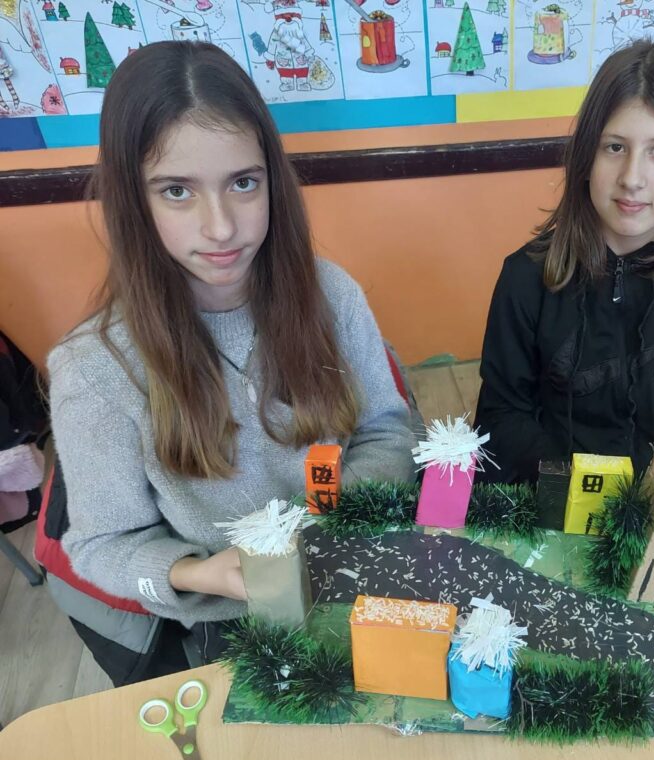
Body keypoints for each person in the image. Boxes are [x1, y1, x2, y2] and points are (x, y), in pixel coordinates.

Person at [47, 40, 415, 683]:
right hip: (233, 622)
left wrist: (335, 522)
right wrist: (202, 573)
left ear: (272, 179)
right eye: (177, 191)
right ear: (133, 201)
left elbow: (386, 427)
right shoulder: (94, 370)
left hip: (354, 565)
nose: (220, 227)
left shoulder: (332, 295)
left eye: (243, 183)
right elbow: (100, 547)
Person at [475, 40, 654, 487]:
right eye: (614, 147)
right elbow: (501, 416)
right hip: (554, 502)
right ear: (586, 159)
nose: (632, 178)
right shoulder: (525, 276)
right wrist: (580, 492)